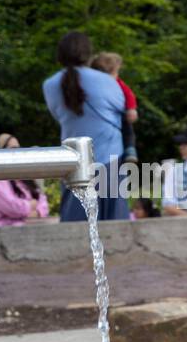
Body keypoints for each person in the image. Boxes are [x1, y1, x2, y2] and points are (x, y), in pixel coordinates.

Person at [41, 31, 128, 221]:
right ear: (88, 54)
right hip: (108, 158)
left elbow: (57, 115)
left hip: (73, 161)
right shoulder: (106, 81)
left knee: (76, 223)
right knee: (114, 224)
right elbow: (123, 109)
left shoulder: (49, 85)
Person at [0, 133, 49, 227]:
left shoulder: (21, 178)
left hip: (16, 232)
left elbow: (44, 204)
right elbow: (13, 209)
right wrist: (31, 205)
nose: (17, 153)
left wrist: (37, 212)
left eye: (19, 149)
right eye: (13, 149)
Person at [90, 52, 138, 162]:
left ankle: (130, 149)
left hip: (119, 116)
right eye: (115, 72)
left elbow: (129, 94)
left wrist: (131, 108)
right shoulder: (94, 85)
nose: (117, 75)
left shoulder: (118, 83)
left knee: (127, 128)